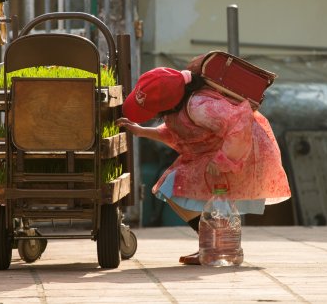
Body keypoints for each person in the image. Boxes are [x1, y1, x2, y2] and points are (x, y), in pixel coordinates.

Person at [116, 65, 291, 265]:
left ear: (167, 104)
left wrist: (224, 159)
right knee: (175, 188)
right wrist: (141, 131)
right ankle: (214, 245)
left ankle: (217, 245)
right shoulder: (183, 105)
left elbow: (239, 123)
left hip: (240, 151)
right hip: (215, 152)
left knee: (180, 188)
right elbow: (178, 131)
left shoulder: (200, 106)